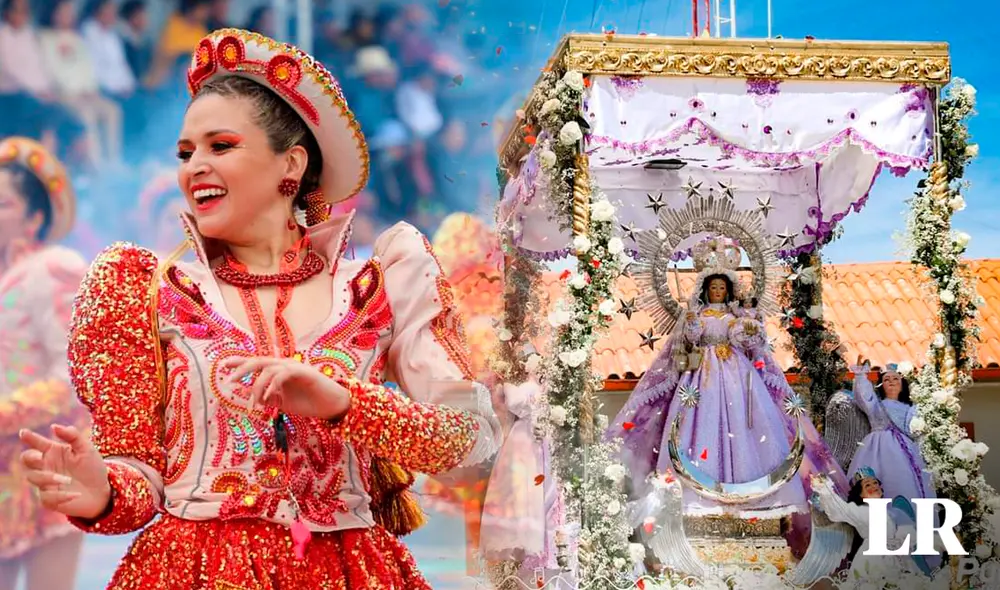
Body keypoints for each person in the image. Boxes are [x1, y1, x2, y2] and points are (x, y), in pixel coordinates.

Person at [18, 29, 499, 589]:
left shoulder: (379, 283)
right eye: (185, 152)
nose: (194, 165)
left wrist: (343, 403)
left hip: (349, 572)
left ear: (290, 165)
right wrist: (101, 490)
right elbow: (141, 480)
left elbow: (471, 444)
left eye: (220, 146)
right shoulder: (145, 287)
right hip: (190, 572)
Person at [608, 236, 848, 520]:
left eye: (722, 287)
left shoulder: (738, 314)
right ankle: (696, 495)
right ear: (706, 289)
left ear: (729, 289)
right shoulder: (695, 314)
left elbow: (751, 344)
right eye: (713, 287)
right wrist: (692, 325)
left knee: (747, 424)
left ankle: (751, 494)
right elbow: (687, 342)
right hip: (701, 377)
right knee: (700, 424)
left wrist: (747, 327)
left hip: (738, 376)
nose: (718, 291)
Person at [0, 137, 88, 590]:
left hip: (44, 465)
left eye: (4, 204)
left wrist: (6, 414)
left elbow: (73, 374)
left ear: (35, 217)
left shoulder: (52, 268)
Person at [812, 469, 940, 586]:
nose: (874, 487)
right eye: (867, 485)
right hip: (873, 561)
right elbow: (839, 510)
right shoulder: (862, 512)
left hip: (901, 561)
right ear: (861, 494)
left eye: (875, 483)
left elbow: (914, 537)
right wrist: (825, 489)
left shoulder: (895, 512)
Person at [38, 0, 123, 167]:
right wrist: (72, 91)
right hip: (65, 94)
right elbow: (51, 68)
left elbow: (87, 67)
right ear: (54, 14)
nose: (68, 16)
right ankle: (96, 164)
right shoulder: (45, 38)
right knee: (87, 114)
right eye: (64, 12)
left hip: (86, 92)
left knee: (113, 111)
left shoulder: (77, 38)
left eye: (69, 12)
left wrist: (90, 89)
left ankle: (114, 162)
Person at [848, 357, 935, 507]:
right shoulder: (877, 405)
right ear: (881, 385)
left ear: (902, 384)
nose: (891, 381)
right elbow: (865, 397)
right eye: (887, 379)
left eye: (896, 378)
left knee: (908, 481)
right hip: (878, 448)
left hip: (908, 450)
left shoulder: (912, 409)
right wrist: (861, 376)